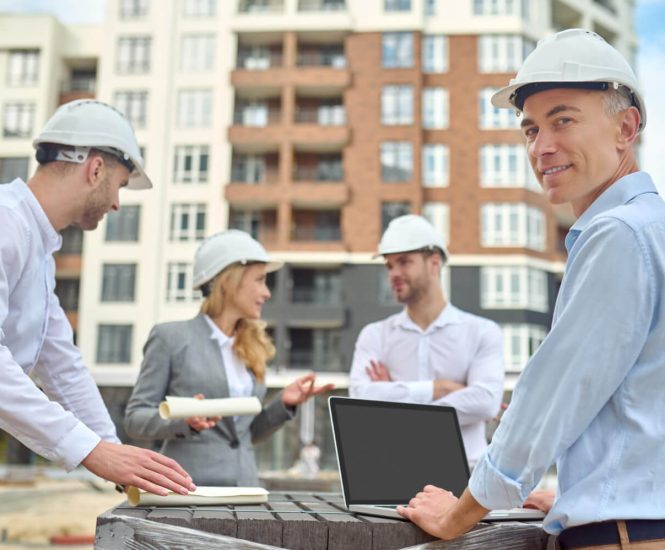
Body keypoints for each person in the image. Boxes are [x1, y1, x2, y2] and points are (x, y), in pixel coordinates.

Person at [398, 28, 665, 549]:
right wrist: (575, 490)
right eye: (529, 130)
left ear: (625, 127)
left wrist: (460, 513)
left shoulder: (620, 236)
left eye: (563, 119)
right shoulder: (652, 228)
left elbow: (550, 398)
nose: (541, 147)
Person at [0, 99, 195, 496]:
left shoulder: (37, 248)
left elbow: (61, 366)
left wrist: (118, 458)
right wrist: (92, 450)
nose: (117, 203)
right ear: (96, 169)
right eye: (121, 185)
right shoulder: (5, 222)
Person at [124, 229, 335, 486]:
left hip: (245, 490)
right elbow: (135, 419)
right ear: (228, 281)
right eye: (259, 280)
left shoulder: (253, 346)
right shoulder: (171, 338)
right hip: (190, 489)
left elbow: (244, 434)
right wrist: (183, 420)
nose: (267, 293)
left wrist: (283, 405)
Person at [349, 214, 504, 467]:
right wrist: (441, 389)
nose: (394, 273)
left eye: (404, 262)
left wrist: (393, 409)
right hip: (394, 469)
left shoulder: (483, 332)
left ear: (434, 263)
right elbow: (359, 399)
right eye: (389, 266)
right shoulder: (374, 334)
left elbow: (485, 403)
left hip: (466, 476)